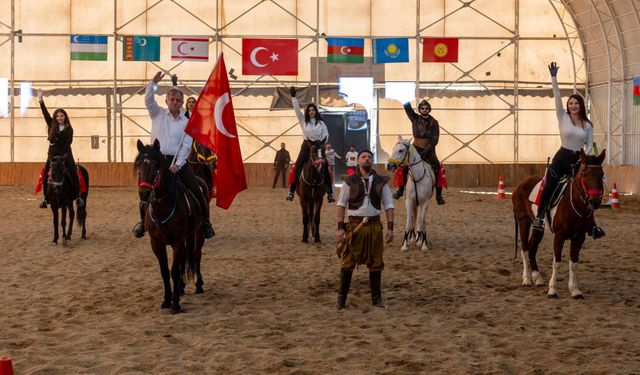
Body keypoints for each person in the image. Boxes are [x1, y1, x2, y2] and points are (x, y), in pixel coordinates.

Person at [133, 71, 215, 239]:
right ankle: (143, 222)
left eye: (178, 100)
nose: (175, 102)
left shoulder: (187, 123)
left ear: (182, 102)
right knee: (145, 188)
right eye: (172, 99)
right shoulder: (157, 113)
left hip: (179, 161)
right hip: (158, 161)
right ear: (167, 101)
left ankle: (206, 222)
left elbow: (186, 145)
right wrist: (153, 83)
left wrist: (178, 164)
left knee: (196, 188)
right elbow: (148, 99)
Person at [532, 62, 605, 239]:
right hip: (562, 157)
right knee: (549, 184)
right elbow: (557, 95)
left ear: (581, 105)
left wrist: (585, 160)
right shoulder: (562, 117)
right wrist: (554, 78)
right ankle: (540, 218)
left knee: (586, 190)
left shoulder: (587, 124)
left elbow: (589, 144)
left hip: (579, 159)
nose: (573, 106)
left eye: (576, 103)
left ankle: (593, 226)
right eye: (570, 103)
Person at [335, 149, 394, 310]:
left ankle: (377, 299)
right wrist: (340, 229)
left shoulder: (381, 181)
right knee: (347, 262)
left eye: (369, 157)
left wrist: (390, 229)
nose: (367, 159)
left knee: (376, 263)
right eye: (363, 157)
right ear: (358, 161)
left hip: (375, 227)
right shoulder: (349, 181)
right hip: (355, 228)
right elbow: (341, 205)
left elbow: (389, 205)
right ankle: (341, 299)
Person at [285, 86, 334, 203]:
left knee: (325, 167)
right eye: (309, 110)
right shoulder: (303, 121)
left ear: (316, 112)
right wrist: (293, 98)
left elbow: (326, 134)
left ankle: (330, 193)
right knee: (298, 166)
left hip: (319, 147)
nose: (311, 112)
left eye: (313, 110)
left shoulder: (321, 123)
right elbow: (297, 110)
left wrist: (321, 143)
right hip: (306, 146)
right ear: (307, 112)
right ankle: (291, 191)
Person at [36, 89, 83, 209]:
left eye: (61, 116)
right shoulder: (52, 124)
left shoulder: (69, 129)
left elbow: (68, 144)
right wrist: (41, 100)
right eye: (57, 116)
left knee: (73, 171)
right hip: (52, 155)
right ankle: (46, 199)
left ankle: (78, 197)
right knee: (46, 173)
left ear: (65, 117)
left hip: (65, 154)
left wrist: (62, 157)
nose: (59, 118)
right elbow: (45, 113)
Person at [393, 99, 445, 205]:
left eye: (426, 108)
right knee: (404, 166)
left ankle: (439, 196)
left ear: (429, 109)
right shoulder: (415, 118)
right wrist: (405, 99)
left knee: (437, 168)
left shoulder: (434, 122)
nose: (424, 110)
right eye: (422, 108)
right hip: (415, 147)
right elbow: (408, 110)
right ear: (420, 109)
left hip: (429, 149)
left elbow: (435, 139)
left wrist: (426, 151)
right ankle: (400, 190)